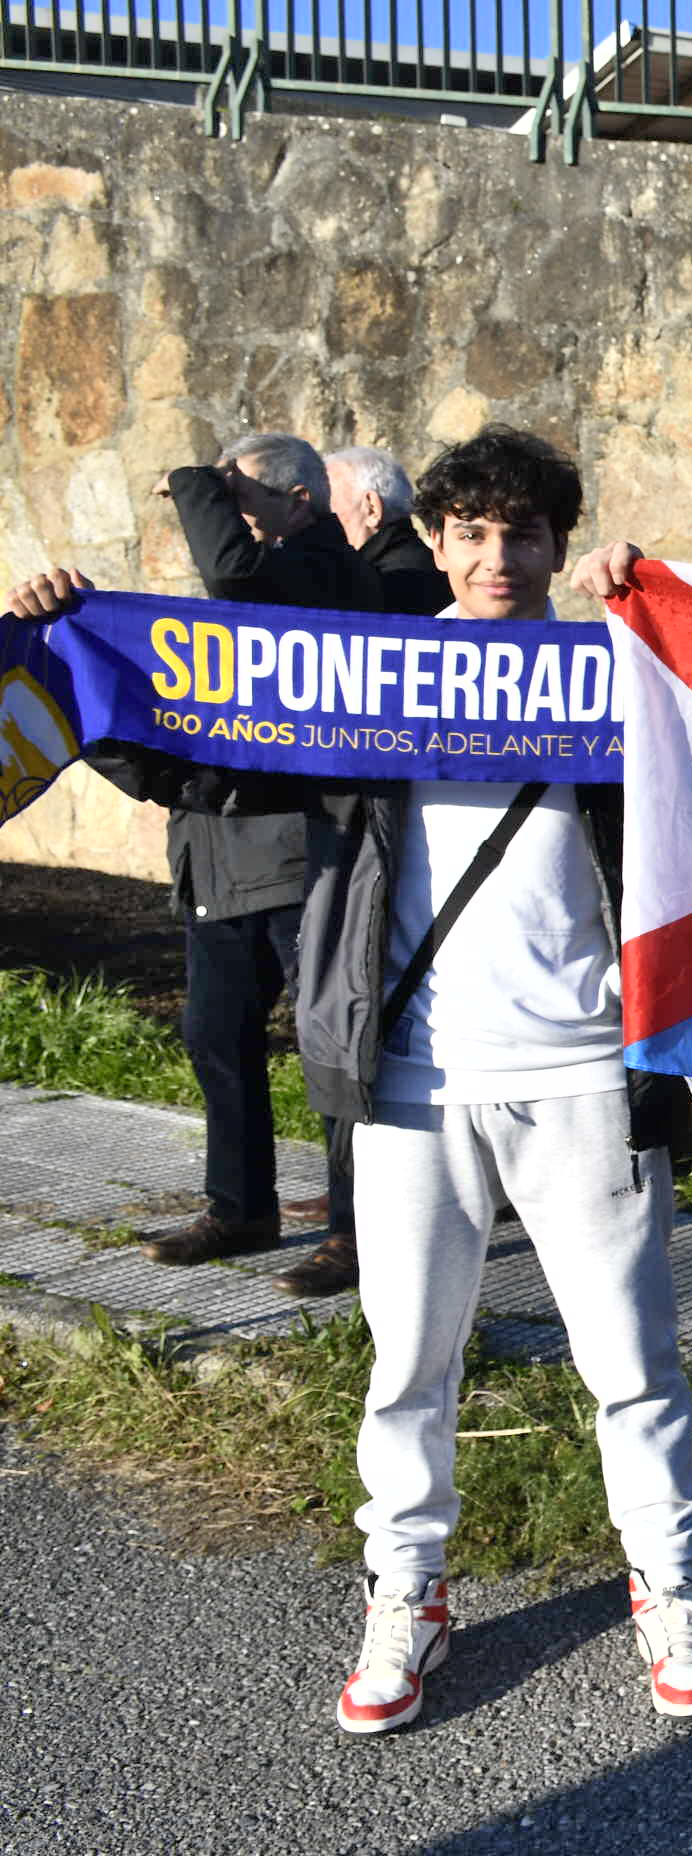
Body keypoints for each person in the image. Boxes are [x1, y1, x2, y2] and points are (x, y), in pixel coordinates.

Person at [11, 427, 692, 1736]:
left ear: (560, 547)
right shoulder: (370, 680)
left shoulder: (620, 678)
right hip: (411, 1077)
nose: (495, 556)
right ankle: (407, 1586)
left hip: (588, 1077)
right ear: (439, 539)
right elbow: (202, 750)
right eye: (470, 532)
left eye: (524, 534)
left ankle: (668, 1582)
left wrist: (666, 605)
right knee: (409, 1362)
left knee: (633, 1359)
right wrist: (73, 652)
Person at [132, 433, 369, 1295]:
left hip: (301, 852)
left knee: (332, 1050)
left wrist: (197, 479)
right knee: (214, 1036)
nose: (228, 515)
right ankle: (239, 1208)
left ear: (299, 500)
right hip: (219, 857)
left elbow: (235, 578)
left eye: (245, 495)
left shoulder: (325, 568)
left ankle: (354, 1231)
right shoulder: (271, 568)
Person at [325, 443, 456, 617]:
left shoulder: (391, 585)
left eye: (328, 503)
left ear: (372, 508)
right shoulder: (422, 566)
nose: (322, 516)